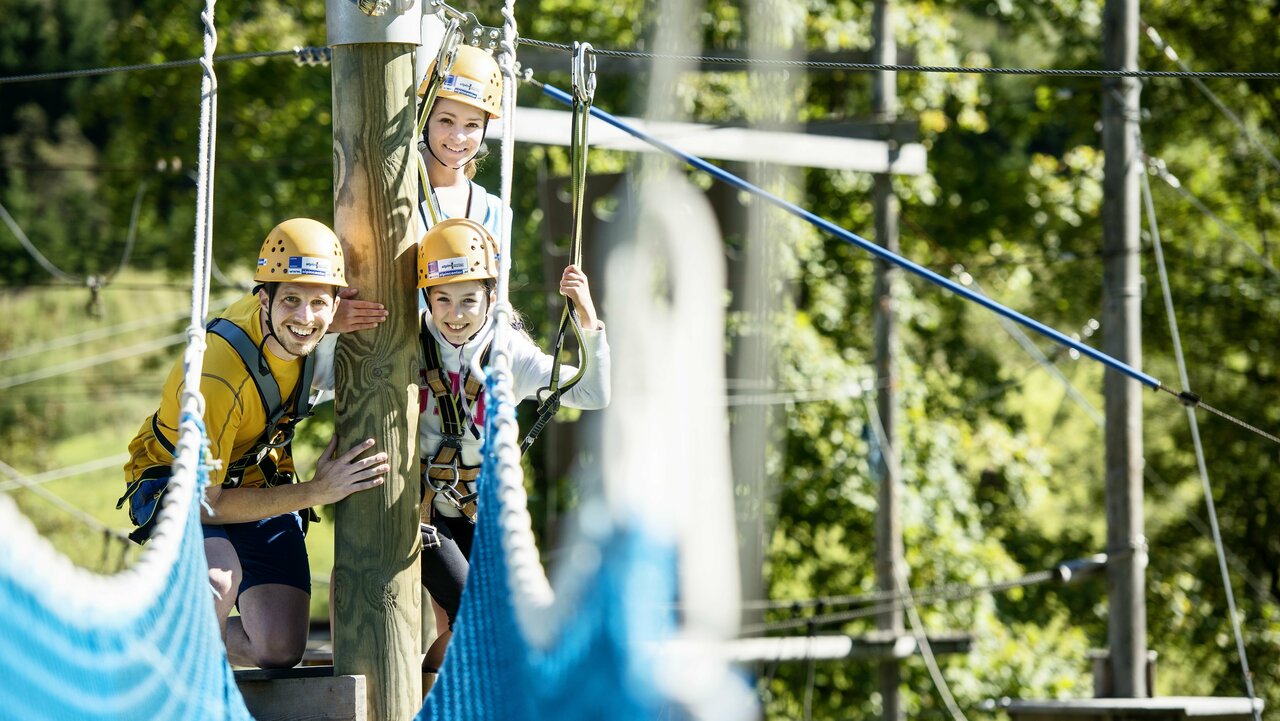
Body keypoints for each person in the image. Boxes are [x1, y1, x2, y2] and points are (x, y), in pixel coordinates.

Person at [118, 218, 389, 669]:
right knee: (216, 581)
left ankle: (174, 632)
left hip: (257, 479)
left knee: (278, 649)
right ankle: (185, 683)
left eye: (318, 303)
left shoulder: (316, 334)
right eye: (291, 302)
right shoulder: (216, 373)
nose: (304, 319)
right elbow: (207, 504)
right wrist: (315, 492)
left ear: (337, 303)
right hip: (181, 485)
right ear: (262, 299)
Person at [415, 217, 610, 688]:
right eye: (442, 299)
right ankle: (426, 690)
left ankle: (433, 691)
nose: (455, 314)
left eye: (468, 300)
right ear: (426, 298)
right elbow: (323, 375)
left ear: (490, 296)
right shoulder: (405, 342)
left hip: (480, 514)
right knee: (475, 610)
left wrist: (587, 319)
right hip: (422, 513)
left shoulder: (507, 352)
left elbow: (592, 394)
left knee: (498, 626)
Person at [418, 44, 507, 239]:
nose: (458, 137)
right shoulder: (394, 196)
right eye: (446, 121)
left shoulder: (495, 212)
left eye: (472, 125)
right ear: (425, 120)